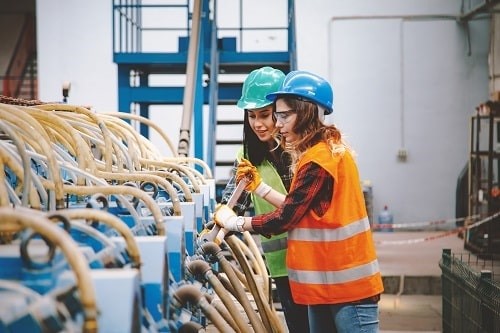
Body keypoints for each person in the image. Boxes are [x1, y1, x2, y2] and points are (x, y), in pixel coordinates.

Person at [215, 70, 384, 333]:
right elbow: (291, 206)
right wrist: (225, 217)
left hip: (336, 274)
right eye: (251, 116)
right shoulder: (256, 156)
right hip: (306, 269)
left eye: (273, 115)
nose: (264, 124)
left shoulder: (312, 157)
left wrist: (237, 222)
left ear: (302, 113)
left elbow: (290, 213)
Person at [219, 66, 310, 333]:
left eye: (265, 115)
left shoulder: (304, 151)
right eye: (251, 116)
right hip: (281, 265)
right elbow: (232, 202)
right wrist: (216, 221)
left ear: (283, 111)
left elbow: (300, 209)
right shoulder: (245, 157)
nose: (258, 123)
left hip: (314, 258)